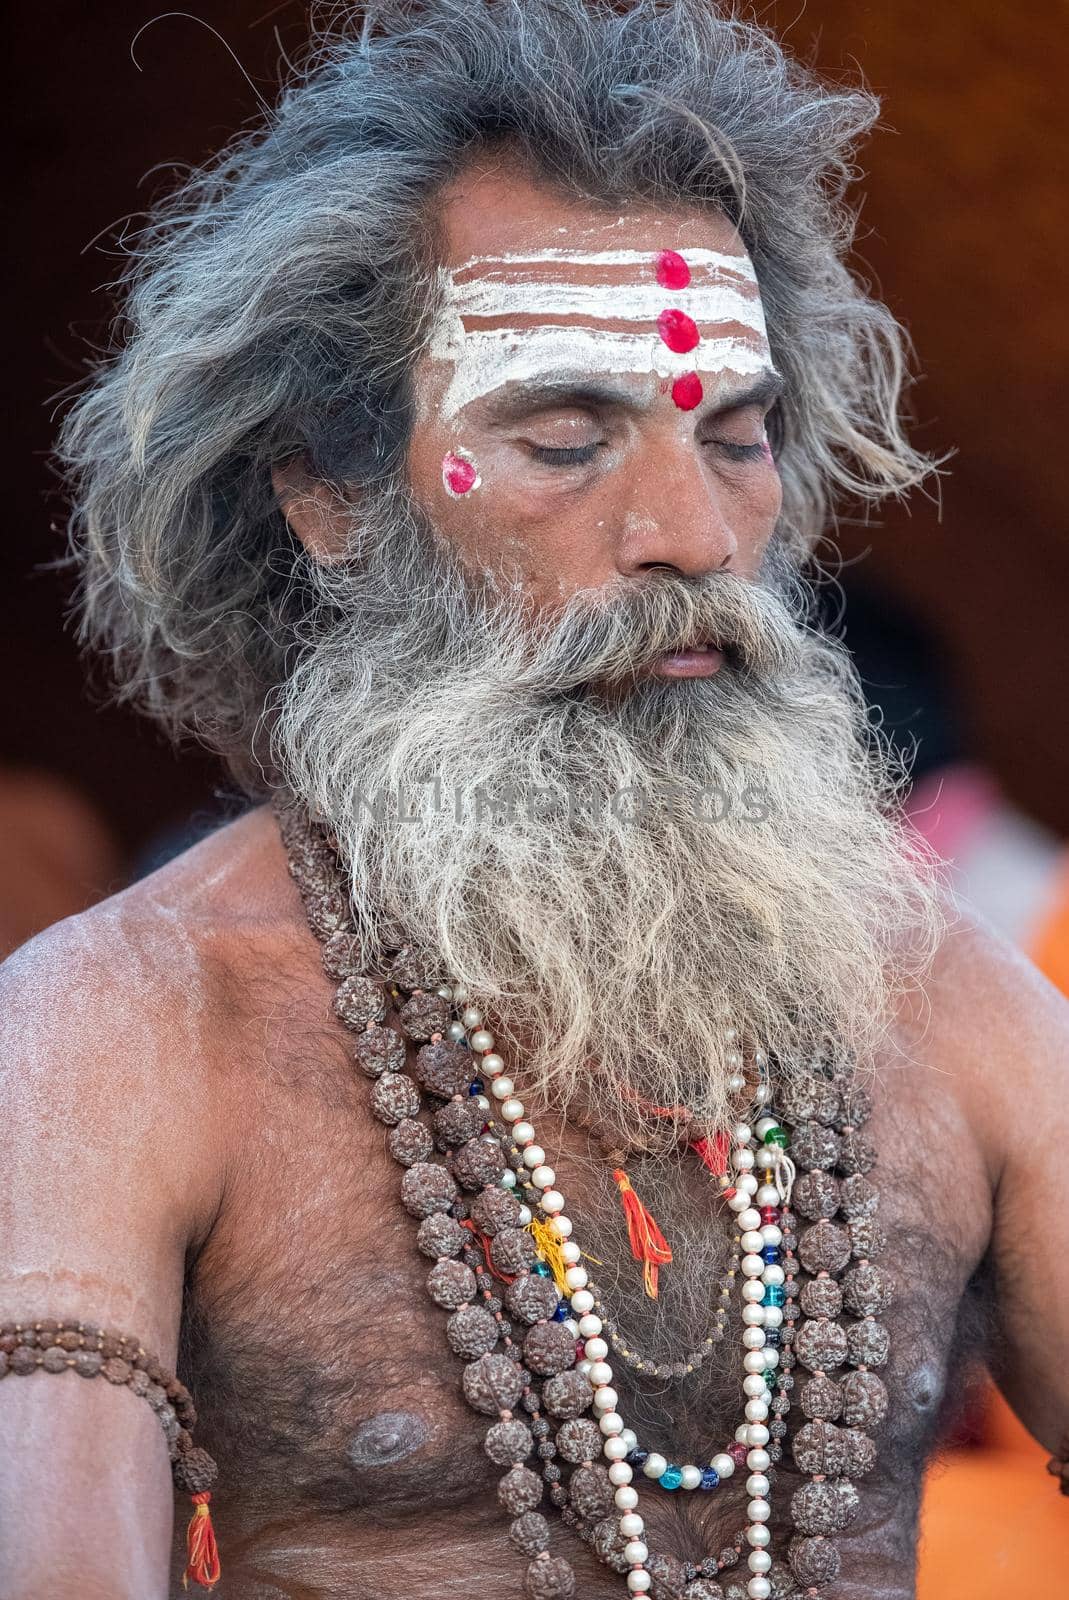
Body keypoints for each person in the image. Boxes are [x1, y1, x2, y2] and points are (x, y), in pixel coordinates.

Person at [2, 4, 1067, 1597]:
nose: (687, 534)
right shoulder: (127, 1029)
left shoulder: (944, 1000)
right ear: (332, 499)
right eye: (567, 441)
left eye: (738, 437)